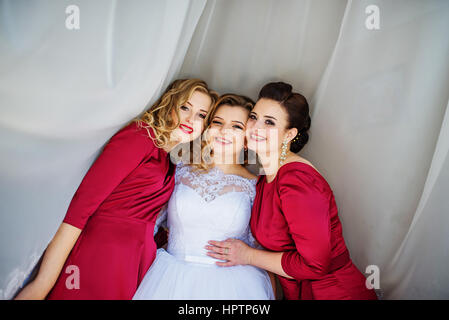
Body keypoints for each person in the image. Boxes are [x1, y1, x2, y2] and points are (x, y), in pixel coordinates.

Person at [15, 79, 217, 299]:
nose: (191, 119)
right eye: (185, 107)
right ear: (170, 104)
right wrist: (44, 281)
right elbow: (80, 207)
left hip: (134, 263)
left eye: (201, 115)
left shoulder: (172, 160)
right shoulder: (139, 137)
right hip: (99, 252)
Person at [206, 82, 378, 300]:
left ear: (289, 135)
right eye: (253, 117)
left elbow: (316, 265)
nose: (255, 127)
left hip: (333, 293)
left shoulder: (296, 180)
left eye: (269, 122)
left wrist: (248, 256)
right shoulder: (264, 180)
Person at [133, 94, 275, 300]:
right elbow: (149, 221)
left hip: (232, 288)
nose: (224, 131)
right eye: (217, 122)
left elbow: (260, 247)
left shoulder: (257, 185)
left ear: (247, 139)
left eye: (236, 126)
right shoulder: (179, 169)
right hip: (169, 280)